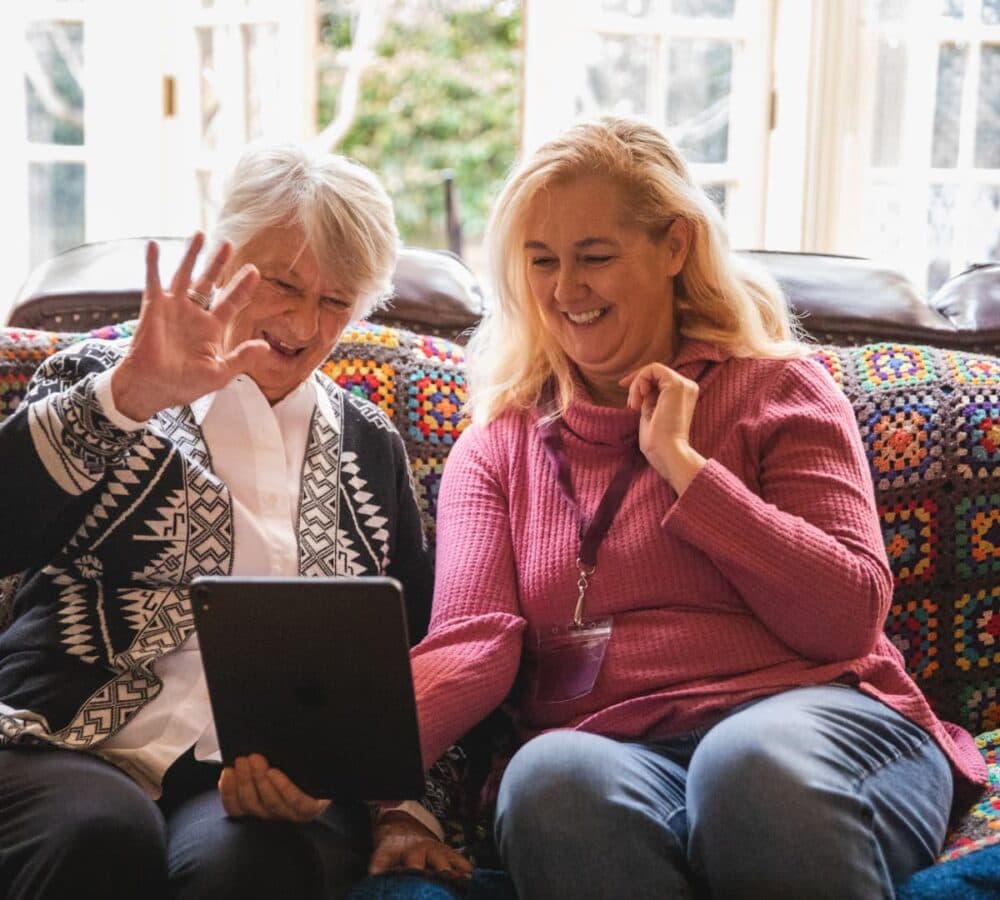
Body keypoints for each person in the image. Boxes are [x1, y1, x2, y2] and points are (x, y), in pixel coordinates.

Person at [371, 117, 988, 899]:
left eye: (595, 257)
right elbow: (471, 644)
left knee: (747, 765)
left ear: (675, 247)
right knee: (546, 777)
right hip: (617, 751)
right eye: (542, 262)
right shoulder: (498, 446)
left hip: (818, 726)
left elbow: (846, 614)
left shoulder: (780, 391)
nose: (567, 290)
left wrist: (687, 471)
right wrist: (335, 772)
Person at [0, 142, 469, 899]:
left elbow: (413, 648)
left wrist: (373, 794)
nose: (303, 323)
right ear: (220, 258)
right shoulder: (101, 376)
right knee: (102, 834)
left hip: (259, 781)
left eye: (336, 300)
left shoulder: (372, 445)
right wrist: (124, 399)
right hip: (62, 742)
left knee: (252, 866)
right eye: (283, 283)